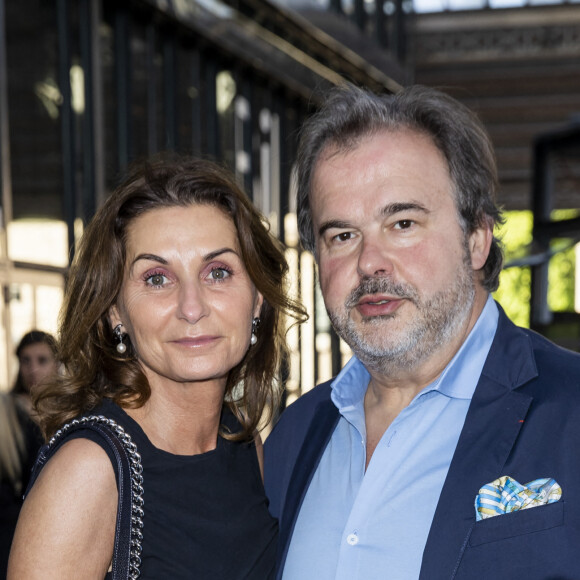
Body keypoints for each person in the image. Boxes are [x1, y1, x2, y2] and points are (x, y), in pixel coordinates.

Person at [263, 83, 580, 580]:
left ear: (476, 239)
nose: (370, 262)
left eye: (403, 223)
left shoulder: (572, 411)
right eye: (342, 235)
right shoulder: (293, 439)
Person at [8, 157, 306, 579]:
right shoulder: (88, 470)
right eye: (156, 279)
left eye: (218, 272)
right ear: (115, 313)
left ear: (257, 298)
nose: (191, 307)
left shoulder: (240, 440)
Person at [0, 331, 56, 577]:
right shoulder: (6, 412)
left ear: (57, 363)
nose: (33, 369)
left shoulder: (73, 410)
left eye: (42, 360)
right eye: (26, 360)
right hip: (13, 525)